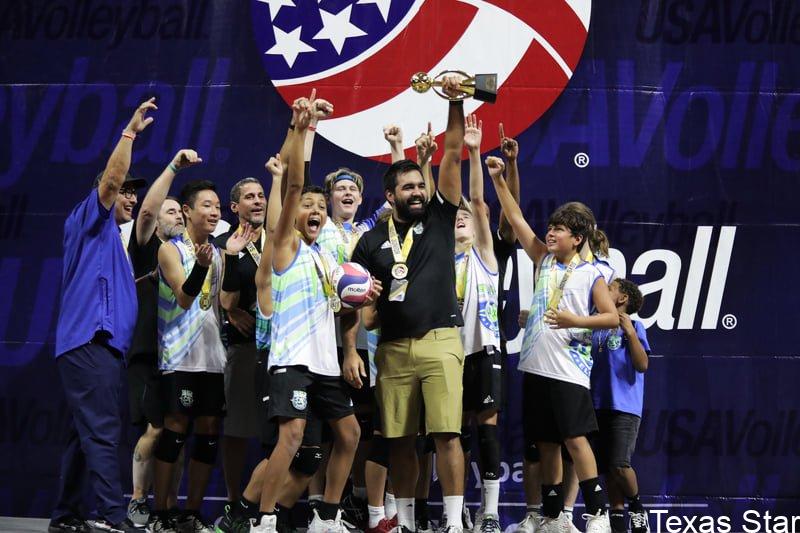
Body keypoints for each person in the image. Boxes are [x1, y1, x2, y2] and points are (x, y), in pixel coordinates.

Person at [250, 92, 379, 533]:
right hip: (292, 361)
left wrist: (364, 296)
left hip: (325, 364)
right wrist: (302, 130)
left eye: (321, 209)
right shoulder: (284, 247)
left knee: (350, 435)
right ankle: (264, 520)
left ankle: (327, 515)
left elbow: (340, 306)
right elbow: (291, 184)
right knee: (290, 438)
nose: (317, 212)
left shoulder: (327, 260)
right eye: (311, 205)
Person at [345, 76, 468, 533]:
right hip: (391, 349)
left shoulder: (439, 217)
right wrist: (353, 338)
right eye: (409, 188)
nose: (418, 192)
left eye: (421, 185)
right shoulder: (370, 242)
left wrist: (456, 102)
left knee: (446, 435)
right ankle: (409, 524)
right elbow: (354, 305)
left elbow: (453, 153)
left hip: (440, 341)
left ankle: (454, 524)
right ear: (391, 196)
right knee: (398, 441)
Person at [487, 156, 619, 533]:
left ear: (577, 239)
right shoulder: (543, 261)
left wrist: (574, 321)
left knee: (574, 439)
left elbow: (611, 318)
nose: (550, 233)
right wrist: (498, 179)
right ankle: (554, 516)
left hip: (568, 370)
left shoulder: (592, 272)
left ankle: (598, 514)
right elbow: (515, 219)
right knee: (544, 443)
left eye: (559, 230)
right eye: (550, 228)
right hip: (535, 368)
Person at [50, 98, 157, 533]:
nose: (129, 196)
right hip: (88, 343)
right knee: (102, 433)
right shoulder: (87, 220)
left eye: (135, 190)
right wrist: (129, 133)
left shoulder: (113, 242)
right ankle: (114, 517)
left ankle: (66, 516)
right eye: (125, 191)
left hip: (104, 348)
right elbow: (111, 181)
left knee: (83, 437)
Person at [149, 180, 250, 533]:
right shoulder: (170, 250)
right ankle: (161, 511)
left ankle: (190, 512)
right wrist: (201, 267)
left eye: (218, 206)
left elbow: (225, 301)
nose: (215, 211)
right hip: (179, 356)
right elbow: (184, 297)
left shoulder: (219, 252)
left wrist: (233, 257)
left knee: (209, 430)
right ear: (188, 211)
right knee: (175, 430)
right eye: (207, 205)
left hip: (213, 357)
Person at [125, 149, 202, 526]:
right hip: (147, 351)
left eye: (177, 210)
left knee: (177, 431)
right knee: (154, 428)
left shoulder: (192, 253)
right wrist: (172, 167)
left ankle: (167, 506)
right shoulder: (147, 248)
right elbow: (146, 212)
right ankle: (139, 499)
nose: (172, 216)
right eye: (168, 211)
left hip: (181, 356)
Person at [215, 175, 267, 504]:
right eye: (250, 197)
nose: (259, 201)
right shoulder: (223, 243)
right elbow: (221, 298)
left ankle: (269, 506)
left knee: (279, 433)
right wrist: (231, 311)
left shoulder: (279, 238)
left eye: (261, 195)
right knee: (236, 431)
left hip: (280, 349)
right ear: (235, 207)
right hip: (244, 348)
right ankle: (235, 502)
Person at [590, 280, 651, 533]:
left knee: (619, 464)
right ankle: (617, 520)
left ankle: (637, 508)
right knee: (606, 468)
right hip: (596, 404)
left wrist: (632, 335)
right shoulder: (596, 324)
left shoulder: (635, 326)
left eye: (610, 288)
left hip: (624, 407)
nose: (602, 292)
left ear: (622, 298)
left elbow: (642, 365)